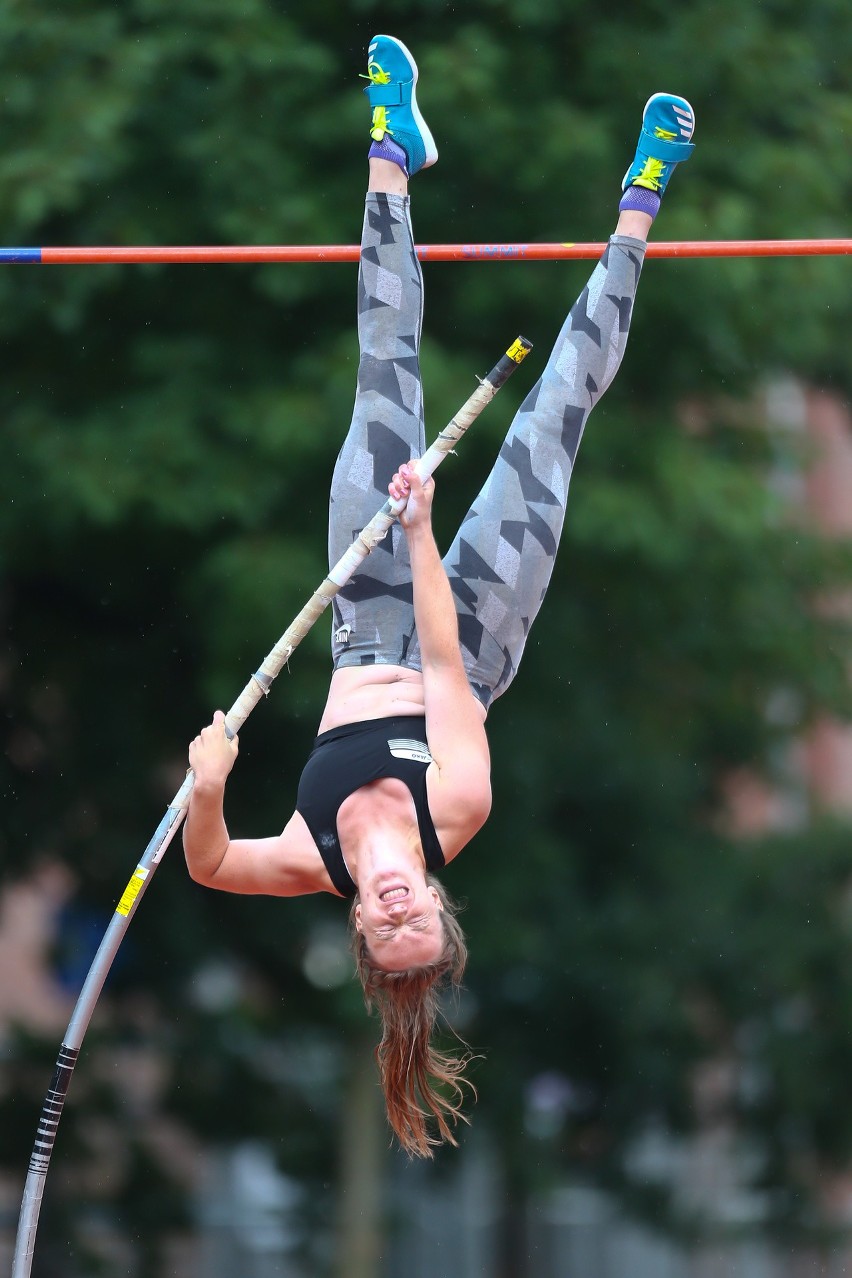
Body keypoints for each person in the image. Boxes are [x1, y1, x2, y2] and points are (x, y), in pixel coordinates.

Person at [183, 34, 696, 1157]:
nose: (402, 912)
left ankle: (391, 150)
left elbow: (212, 862)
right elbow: (452, 667)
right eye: (423, 925)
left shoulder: (309, 859)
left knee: (381, 363)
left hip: (363, 618)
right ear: (437, 910)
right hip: (471, 626)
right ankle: (642, 200)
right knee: (552, 414)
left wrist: (209, 784)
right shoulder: (455, 809)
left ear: (365, 928)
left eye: (387, 929)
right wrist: (420, 531)